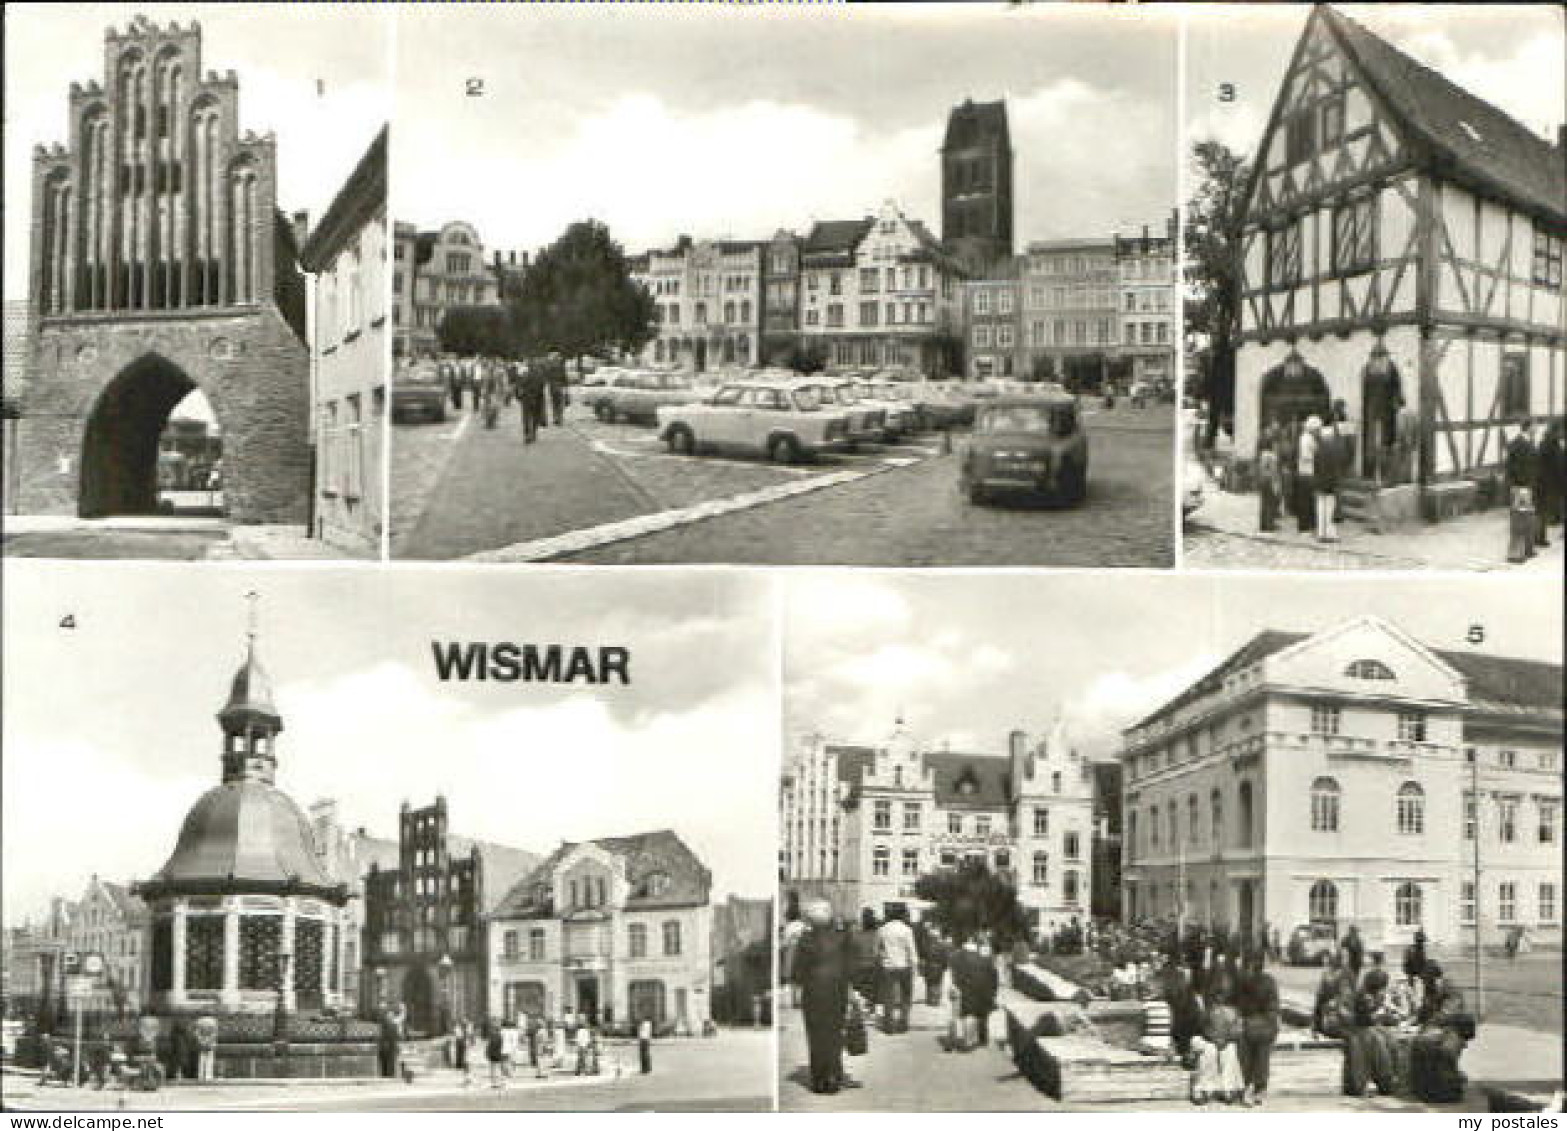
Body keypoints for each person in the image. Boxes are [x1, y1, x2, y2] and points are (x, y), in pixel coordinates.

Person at [793, 900, 854, 1095]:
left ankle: (819, 1080)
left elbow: (797, 971)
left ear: (810, 918)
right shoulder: (843, 937)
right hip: (837, 991)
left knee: (816, 1035)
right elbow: (851, 966)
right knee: (835, 1034)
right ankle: (834, 1077)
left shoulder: (805, 939)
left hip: (813, 992)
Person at [1235, 951, 1279, 1106]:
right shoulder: (1270, 981)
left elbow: (1240, 1008)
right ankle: (1260, 1088)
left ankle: (1247, 1086)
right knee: (1262, 1053)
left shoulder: (1243, 982)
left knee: (1246, 1050)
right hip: (1266, 1026)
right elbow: (1274, 1007)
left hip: (1251, 1026)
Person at [876, 907, 917, 1034]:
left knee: (888, 996)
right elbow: (911, 950)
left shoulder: (882, 929)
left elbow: (877, 949)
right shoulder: (907, 930)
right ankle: (903, 1024)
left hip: (888, 966)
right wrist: (914, 966)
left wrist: (882, 958)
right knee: (906, 995)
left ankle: (888, 1026)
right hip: (904, 966)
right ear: (902, 916)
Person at [1505, 419, 1538, 562]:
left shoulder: (1526, 442)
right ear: (1528, 427)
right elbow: (1514, 467)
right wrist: (1522, 485)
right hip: (1521, 487)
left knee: (1528, 519)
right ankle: (1516, 555)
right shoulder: (1518, 444)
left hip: (1526, 487)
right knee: (1519, 520)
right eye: (1535, 426)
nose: (1536, 428)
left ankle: (1528, 550)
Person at [1314, 411, 1342, 542]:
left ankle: (1321, 532)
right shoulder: (1334, 437)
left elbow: (1316, 457)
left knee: (1321, 503)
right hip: (1331, 474)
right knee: (1330, 504)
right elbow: (1338, 457)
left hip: (1320, 474)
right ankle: (1331, 533)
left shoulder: (1319, 437)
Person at [849, 908, 881, 1017]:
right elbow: (876, 951)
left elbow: (852, 950)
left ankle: (858, 1011)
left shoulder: (855, 934)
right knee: (871, 989)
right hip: (872, 964)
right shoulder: (877, 933)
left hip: (858, 965)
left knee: (858, 988)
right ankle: (869, 1010)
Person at [1297, 416, 1321, 534]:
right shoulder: (1306, 439)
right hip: (1306, 472)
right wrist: (1316, 455)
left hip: (1308, 472)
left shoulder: (1309, 438)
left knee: (1308, 500)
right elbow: (1306, 456)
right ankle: (1304, 526)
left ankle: (1308, 525)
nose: (1318, 431)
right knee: (1305, 501)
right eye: (1317, 429)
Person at [1257, 435, 1282, 533]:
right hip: (1270, 480)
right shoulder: (1272, 456)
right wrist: (1276, 484)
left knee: (1264, 502)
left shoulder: (1263, 454)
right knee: (1271, 502)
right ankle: (1269, 525)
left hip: (1262, 479)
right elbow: (1274, 471)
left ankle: (1263, 524)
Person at [193, 1015, 218, 1082]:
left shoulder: (199, 1021)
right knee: (208, 1060)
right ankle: (208, 1076)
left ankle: (201, 1076)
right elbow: (214, 1033)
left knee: (202, 1059)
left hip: (203, 1043)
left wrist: (202, 1040)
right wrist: (208, 1040)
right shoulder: (213, 1021)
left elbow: (197, 1033)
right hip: (209, 1043)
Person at [547, 358, 568, 426]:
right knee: (560, 403)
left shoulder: (550, 368)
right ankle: (559, 418)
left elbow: (548, 378)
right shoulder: (561, 368)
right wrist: (566, 387)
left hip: (553, 387)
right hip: (559, 387)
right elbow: (565, 378)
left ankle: (556, 417)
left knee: (554, 403)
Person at [484, 1021, 506, 1089]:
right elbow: (501, 1046)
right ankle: (501, 1082)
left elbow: (489, 1046)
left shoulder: (493, 1036)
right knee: (499, 1069)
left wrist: (487, 1053)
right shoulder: (500, 1036)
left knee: (493, 1069)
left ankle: (494, 1083)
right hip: (498, 1054)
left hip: (493, 1054)